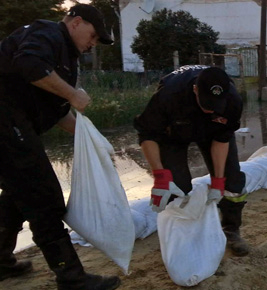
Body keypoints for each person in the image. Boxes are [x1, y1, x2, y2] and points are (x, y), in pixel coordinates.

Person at [0, 4, 121, 289]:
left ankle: (1, 262)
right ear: (76, 22)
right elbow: (29, 65)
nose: (92, 44)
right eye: (92, 36)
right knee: (43, 195)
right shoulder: (47, 33)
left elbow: (56, 111)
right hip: (5, 120)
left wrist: (93, 139)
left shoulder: (67, 56)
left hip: (14, 124)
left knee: (18, 196)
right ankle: (71, 278)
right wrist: (73, 95)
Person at [134, 65, 251, 257]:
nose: (209, 109)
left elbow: (222, 139)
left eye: (215, 105)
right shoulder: (170, 95)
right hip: (175, 133)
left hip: (211, 133)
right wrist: (160, 176)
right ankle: (182, 237)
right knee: (176, 186)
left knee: (233, 183)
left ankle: (231, 230)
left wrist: (218, 181)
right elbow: (147, 134)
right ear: (195, 89)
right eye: (206, 103)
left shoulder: (232, 101)